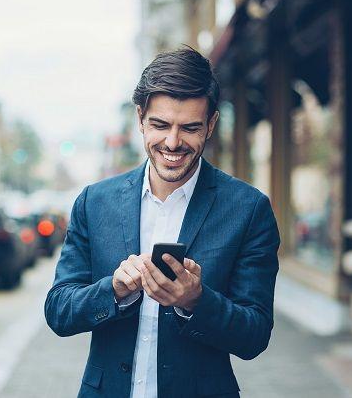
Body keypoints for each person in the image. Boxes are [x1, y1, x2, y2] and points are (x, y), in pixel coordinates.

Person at [45, 46, 280, 398]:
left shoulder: (248, 209)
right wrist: (114, 290)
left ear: (211, 124)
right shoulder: (95, 203)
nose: (172, 142)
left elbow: (255, 335)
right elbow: (59, 310)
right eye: (160, 125)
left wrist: (196, 301)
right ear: (140, 118)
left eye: (189, 128)